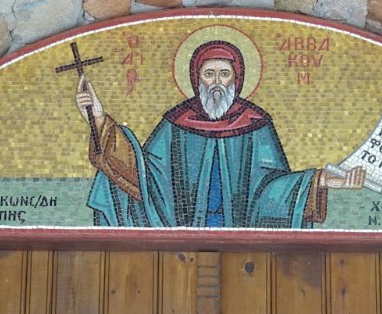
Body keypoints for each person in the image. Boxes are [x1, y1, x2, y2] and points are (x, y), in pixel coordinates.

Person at [75, 40, 365, 228]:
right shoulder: (176, 123)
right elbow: (145, 174)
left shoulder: (256, 123)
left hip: (240, 232)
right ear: (196, 78)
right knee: (108, 176)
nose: (216, 82)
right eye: (209, 74)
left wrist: (321, 180)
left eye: (224, 74)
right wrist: (98, 117)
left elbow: (271, 187)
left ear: (236, 79)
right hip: (184, 232)